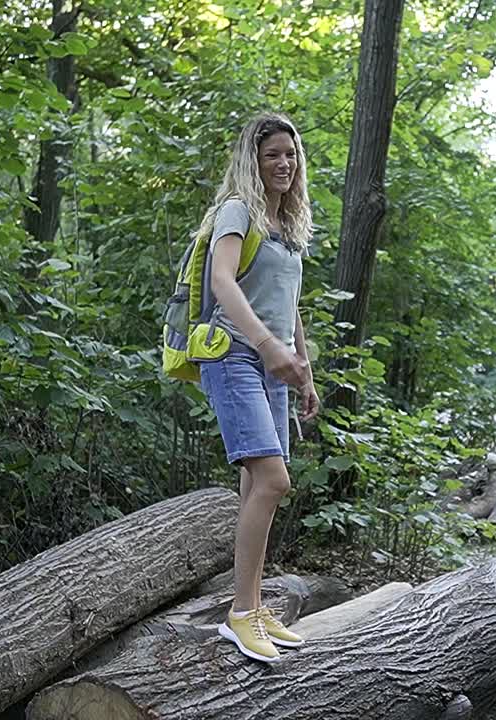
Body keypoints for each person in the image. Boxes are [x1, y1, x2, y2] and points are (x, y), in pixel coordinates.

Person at [195, 112, 321, 663]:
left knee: (256, 487)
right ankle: (239, 615)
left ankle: (251, 605)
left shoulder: (287, 225)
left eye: (290, 155)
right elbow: (222, 282)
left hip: (274, 367)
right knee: (273, 481)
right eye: (272, 154)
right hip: (234, 354)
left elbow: (287, 304)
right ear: (253, 159)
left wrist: (303, 367)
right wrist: (270, 349)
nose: (284, 164)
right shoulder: (236, 211)